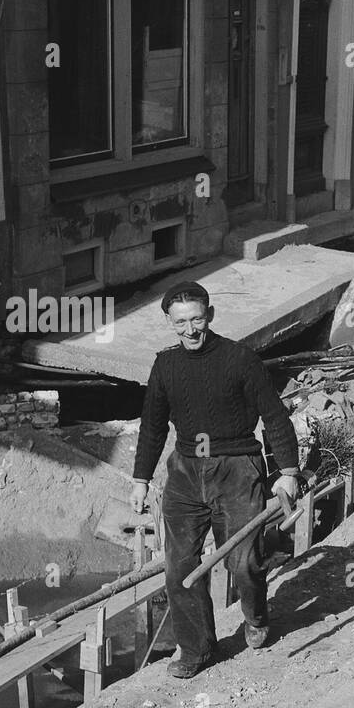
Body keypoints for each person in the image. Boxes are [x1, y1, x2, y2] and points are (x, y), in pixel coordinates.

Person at [130, 281, 301, 679]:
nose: (190, 330)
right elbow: (152, 427)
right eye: (180, 323)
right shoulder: (165, 365)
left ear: (210, 315)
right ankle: (196, 648)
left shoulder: (240, 359)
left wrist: (287, 473)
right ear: (169, 323)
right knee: (179, 566)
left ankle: (256, 617)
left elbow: (274, 416)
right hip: (186, 472)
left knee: (244, 562)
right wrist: (140, 479)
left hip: (237, 468)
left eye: (196, 319)